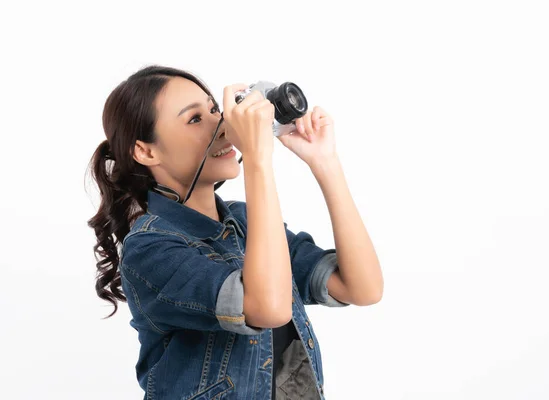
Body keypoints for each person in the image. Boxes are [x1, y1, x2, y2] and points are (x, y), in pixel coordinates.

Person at [87, 65, 383, 400]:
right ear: (146, 152)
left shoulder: (245, 222)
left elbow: (361, 288)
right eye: (195, 119)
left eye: (216, 109)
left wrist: (324, 162)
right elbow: (267, 308)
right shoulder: (149, 248)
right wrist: (257, 158)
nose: (225, 126)